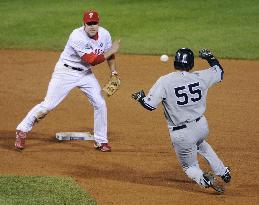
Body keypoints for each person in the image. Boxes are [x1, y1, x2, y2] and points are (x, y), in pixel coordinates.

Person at [15, 10, 120, 152]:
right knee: (48, 105)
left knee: (100, 103)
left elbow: (110, 55)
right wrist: (112, 50)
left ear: (98, 23)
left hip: (85, 74)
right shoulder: (76, 36)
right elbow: (93, 60)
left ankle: (101, 141)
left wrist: (114, 72)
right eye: (89, 23)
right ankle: (22, 130)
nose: (92, 26)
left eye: (94, 23)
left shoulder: (105, 34)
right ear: (84, 24)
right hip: (65, 73)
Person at [132, 48, 231, 192]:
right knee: (201, 144)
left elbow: (150, 105)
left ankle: (204, 180)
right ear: (191, 64)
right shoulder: (200, 76)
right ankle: (223, 171)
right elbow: (219, 71)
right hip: (201, 126)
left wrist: (141, 98)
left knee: (189, 167)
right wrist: (210, 57)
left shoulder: (165, 81)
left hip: (182, 134)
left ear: (175, 63)